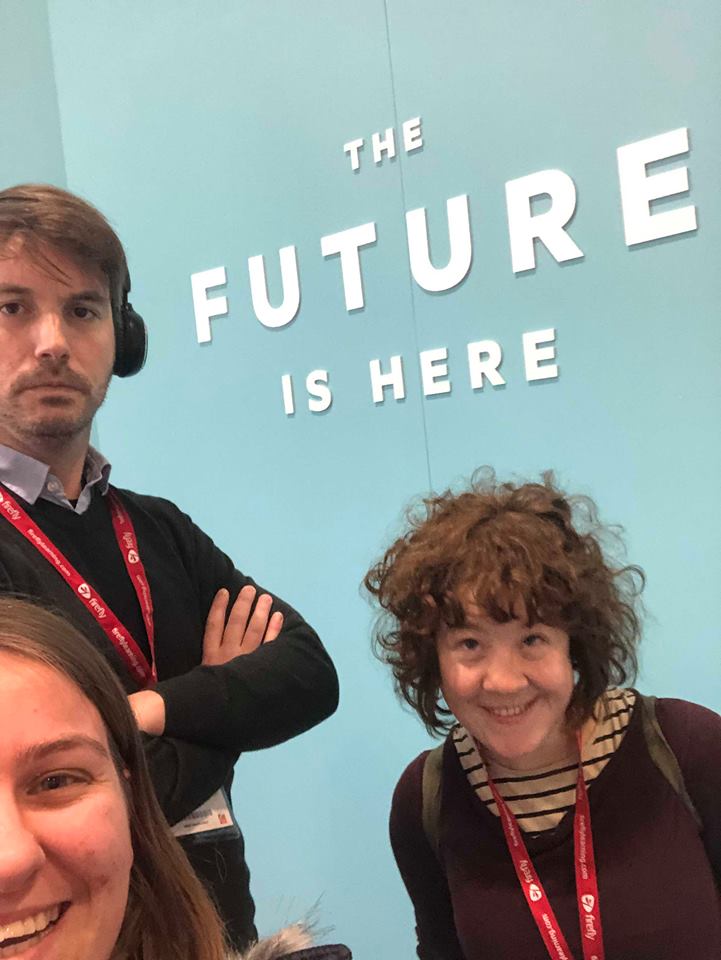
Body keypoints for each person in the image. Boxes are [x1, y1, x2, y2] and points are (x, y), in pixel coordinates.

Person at [0, 183, 339, 950]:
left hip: (212, 919)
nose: (51, 340)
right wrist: (221, 707)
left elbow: (309, 676)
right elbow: (78, 797)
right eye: (12, 308)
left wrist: (141, 714)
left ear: (124, 337)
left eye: (83, 310)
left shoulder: (156, 528)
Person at [364, 471, 721, 960]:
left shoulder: (687, 748)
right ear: (433, 660)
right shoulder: (426, 798)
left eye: (532, 639)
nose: (504, 681)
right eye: (470, 644)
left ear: (576, 643)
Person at [0, 596, 351, 960]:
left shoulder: (176, 545)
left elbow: (307, 672)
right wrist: (221, 713)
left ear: (129, 797)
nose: (9, 862)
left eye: (55, 782)